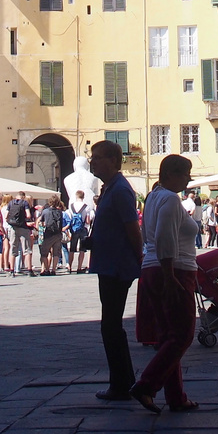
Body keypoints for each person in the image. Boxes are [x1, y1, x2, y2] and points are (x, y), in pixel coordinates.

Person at [130, 154, 199, 414]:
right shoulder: (170, 199)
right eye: (185, 174)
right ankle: (146, 385)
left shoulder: (153, 197)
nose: (188, 179)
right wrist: (170, 277)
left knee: (169, 337)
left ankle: (176, 396)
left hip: (152, 268)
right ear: (170, 173)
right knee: (182, 335)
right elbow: (164, 237)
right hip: (173, 270)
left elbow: (150, 236)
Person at [88, 140, 143, 401]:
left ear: (113, 160)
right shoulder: (110, 187)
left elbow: (133, 229)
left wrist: (139, 259)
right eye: (92, 157)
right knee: (111, 325)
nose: (92, 161)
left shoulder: (120, 190)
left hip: (116, 266)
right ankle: (124, 380)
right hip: (109, 262)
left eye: (97, 157)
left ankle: (120, 384)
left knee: (110, 325)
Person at [6, 191, 35, 275]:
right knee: (27, 249)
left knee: (13, 249)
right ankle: (29, 270)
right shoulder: (24, 203)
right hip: (23, 227)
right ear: (23, 197)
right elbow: (28, 215)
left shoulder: (11, 203)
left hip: (13, 228)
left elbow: (6, 216)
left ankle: (12, 270)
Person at [67, 189, 92, 273]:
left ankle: (69, 267)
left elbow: (70, 218)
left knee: (72, 249)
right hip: (83, 229)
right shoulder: (86, 207)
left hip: (74, 229)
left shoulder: (71, 206)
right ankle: (79, 267)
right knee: (82, 249)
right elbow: (88, 221)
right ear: (83, 197)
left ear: (76, 196)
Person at [39, 197, 63, 275]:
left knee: (44, 253)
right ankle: (53, 270)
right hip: (58, 234)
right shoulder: (60, 212)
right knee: (56, 253)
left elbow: (42, 222)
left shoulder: (45, 211)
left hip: (49, 233)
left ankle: (46, 269)